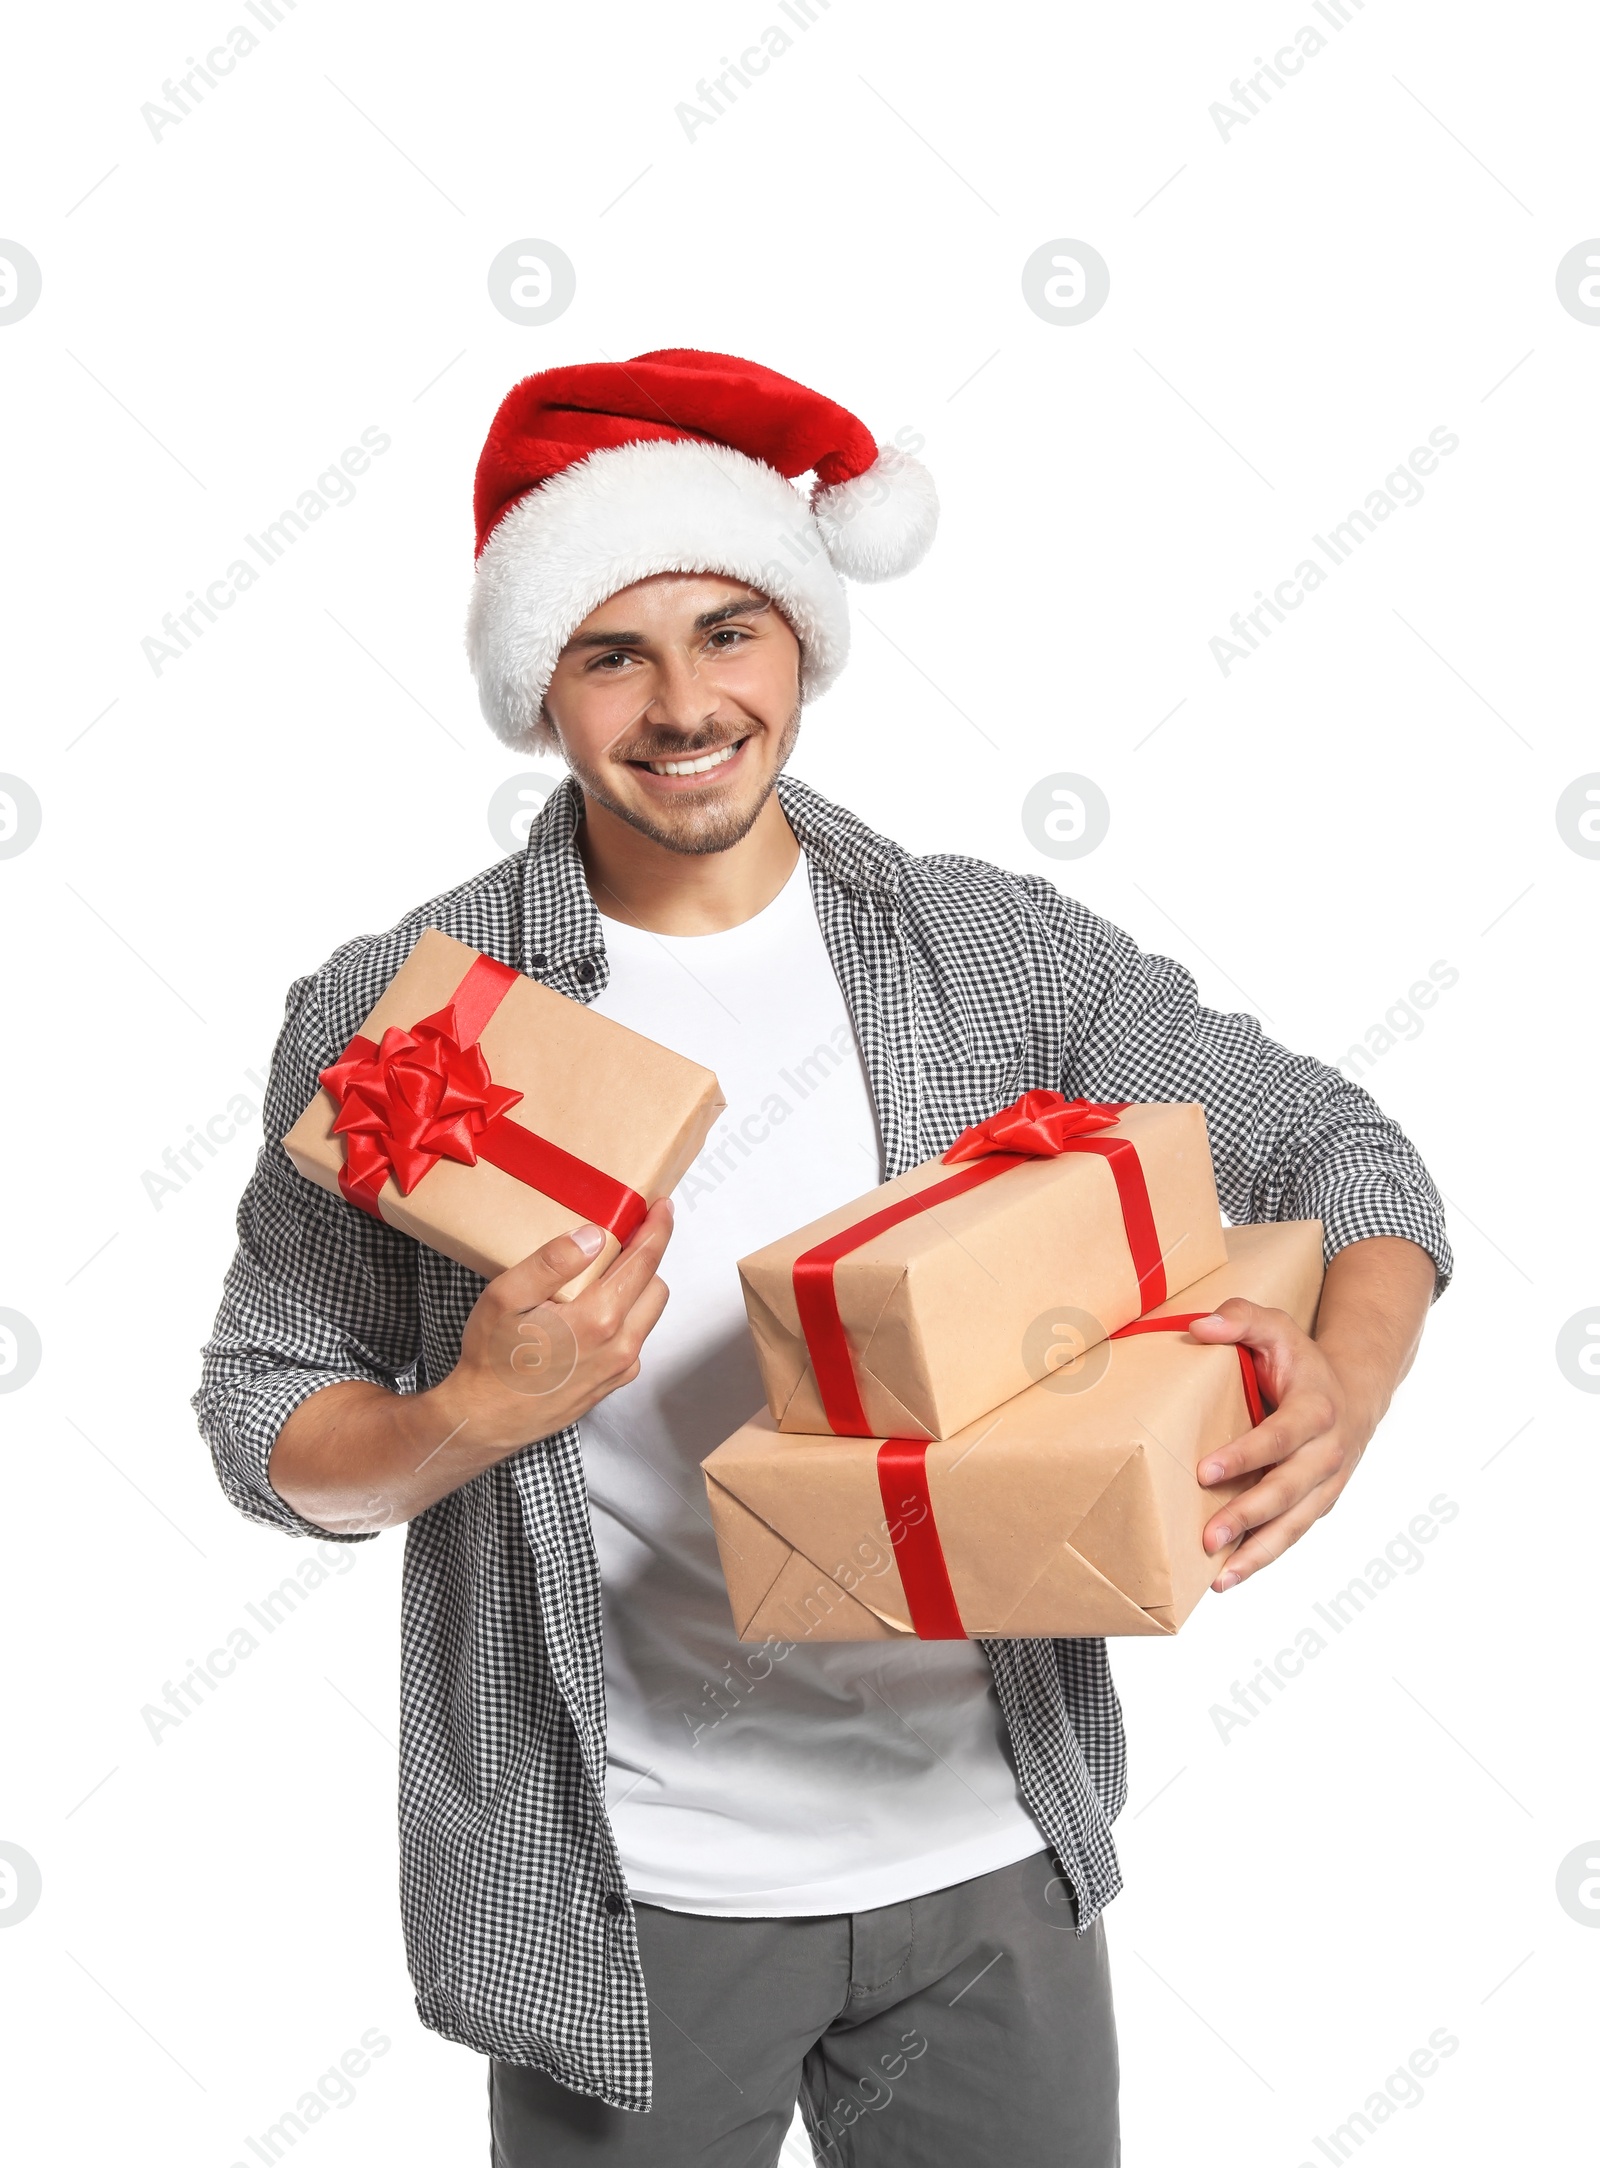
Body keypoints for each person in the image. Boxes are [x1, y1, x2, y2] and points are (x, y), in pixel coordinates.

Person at [193, 349, 1450, 2166]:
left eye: (729, 629)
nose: (684, 701)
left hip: (989, 1861)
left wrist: (1352, 1374)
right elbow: (263, 1420)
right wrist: (468, 1414)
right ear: (536, 685)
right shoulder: (409, 1023)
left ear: (800, 643)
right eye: (612, 648)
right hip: (620, 1899)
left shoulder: (983, 956)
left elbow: (1345, 1152)